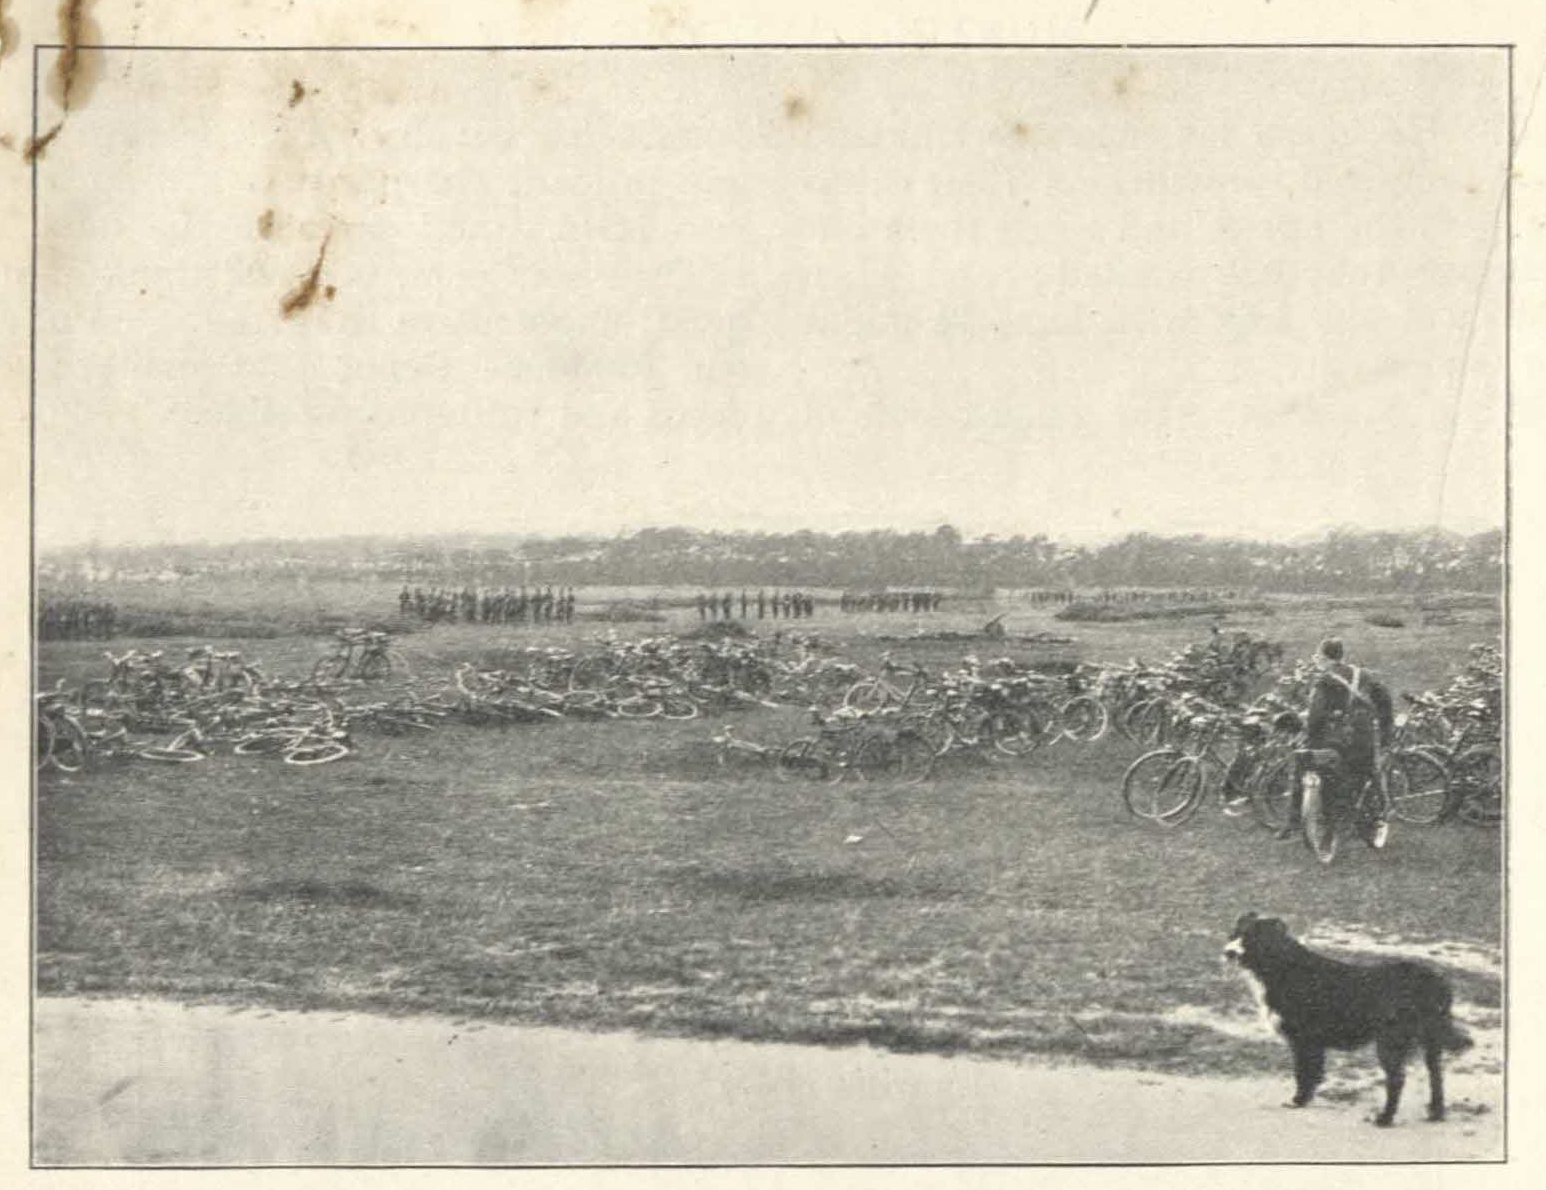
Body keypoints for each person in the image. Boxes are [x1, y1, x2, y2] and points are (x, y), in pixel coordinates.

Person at [1278, 638, 1394, 847]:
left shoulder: (1325, 681)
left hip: (1333, 741)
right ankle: (1374, 817)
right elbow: (1385, 701)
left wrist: (1310, 739)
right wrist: (1386, 732)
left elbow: (1316, 716)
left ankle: (1294, 821)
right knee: (1367, 773)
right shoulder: (1364, 675)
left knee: (1304, 765)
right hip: (1363, 738)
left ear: (1324, 658)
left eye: (1318, 657)